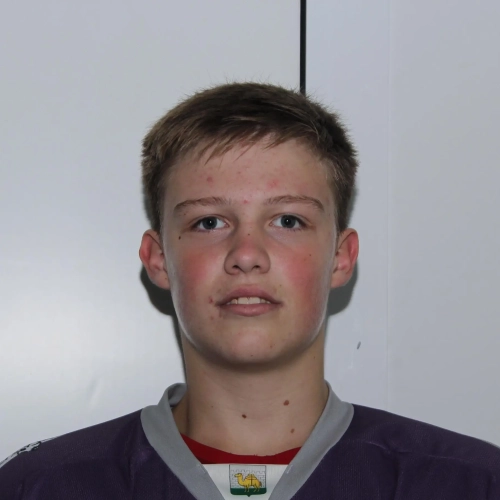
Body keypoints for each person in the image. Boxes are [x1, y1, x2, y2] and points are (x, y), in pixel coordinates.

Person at [1, 82, 499, 499]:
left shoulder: (472, 484)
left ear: (341, 257)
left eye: (288, 220)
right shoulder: (37, 488)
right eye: (209, 221)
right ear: (158, 260)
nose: (246, 253)